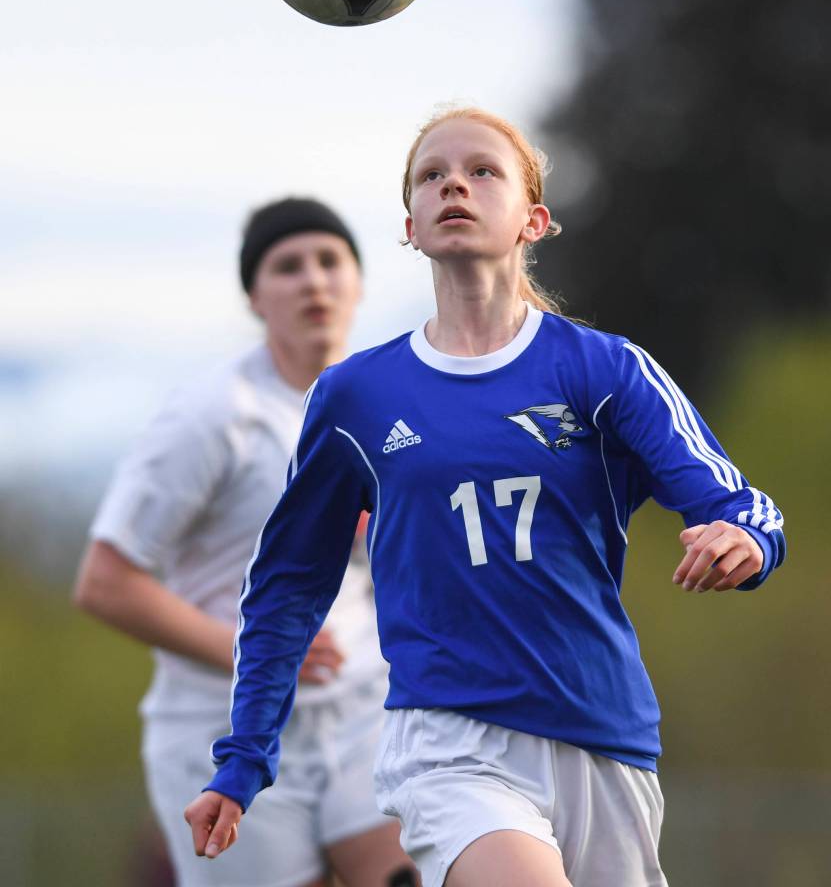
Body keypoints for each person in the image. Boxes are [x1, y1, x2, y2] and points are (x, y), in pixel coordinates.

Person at [184, 109, 786, 887]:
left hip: (603, 737)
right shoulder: (357, 396)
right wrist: (242, 759)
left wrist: (742, 542)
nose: (453, 185)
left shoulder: (604, 371)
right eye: (431, 176)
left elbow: (738, 504)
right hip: (446, 742)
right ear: (410, 225)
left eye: (481, 171)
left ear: (533, 219)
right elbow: (286, 585)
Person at [74, 198, 417, 887]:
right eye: (288, 267)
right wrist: (255, 652)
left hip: (361, 715)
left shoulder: (384, 407)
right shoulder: (211, 415)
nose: (313, 281)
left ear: (357, 280)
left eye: (330, 261)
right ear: (255, 297)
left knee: (426, 869)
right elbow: (104, 582)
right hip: (221, 729)